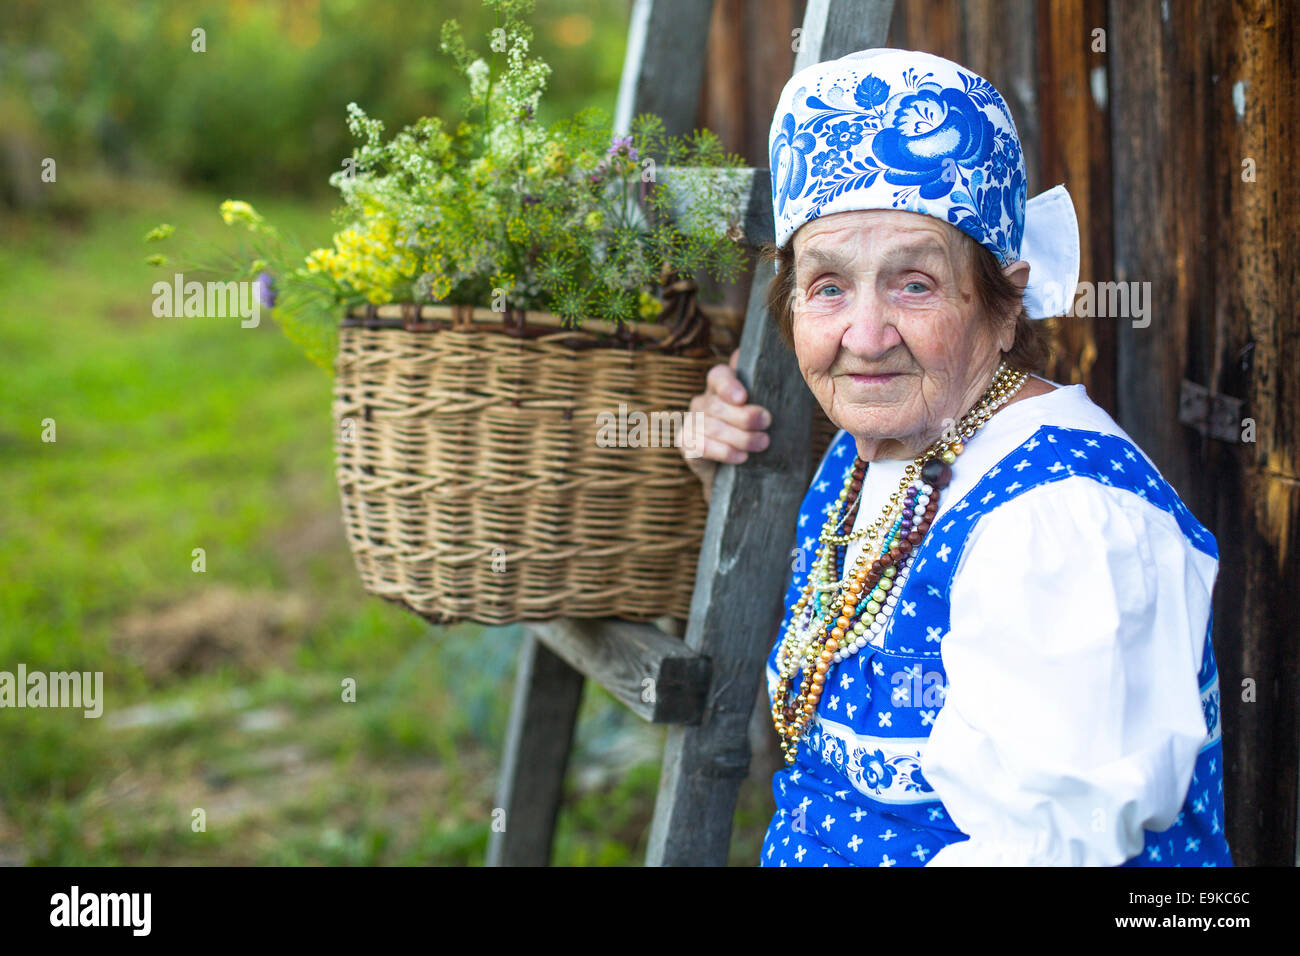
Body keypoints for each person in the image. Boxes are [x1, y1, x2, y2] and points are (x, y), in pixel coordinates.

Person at [681, 48, 1231, 866]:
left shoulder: (1062, 521)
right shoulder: (871, 453)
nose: (863, 338)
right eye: (828, 286)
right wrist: (717, 473)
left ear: (1006, 304)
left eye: (915, 285)